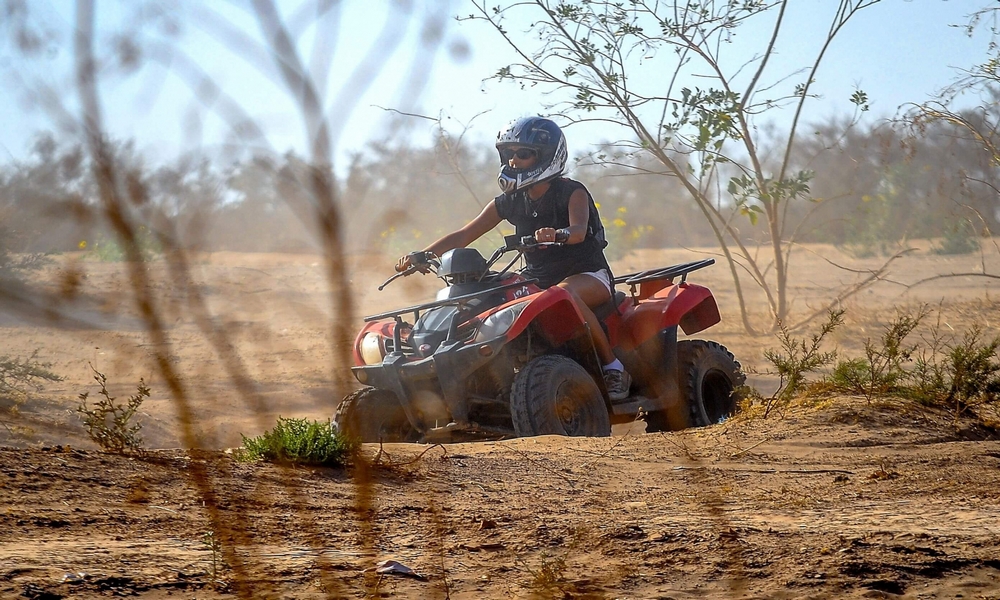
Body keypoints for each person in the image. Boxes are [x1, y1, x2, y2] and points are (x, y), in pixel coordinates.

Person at [396, 116, 632, 401]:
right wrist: (423, 254)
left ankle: (613, 368)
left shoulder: (572, 192)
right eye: (509, 154)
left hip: (588, 276)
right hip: (537, 284)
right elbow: (463, 235)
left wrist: (557, 234)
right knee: (493, 297)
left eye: (523, 154)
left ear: (546, 156)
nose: (514, 161)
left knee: (564, 294)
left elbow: (579, 231)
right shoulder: (509, 200)